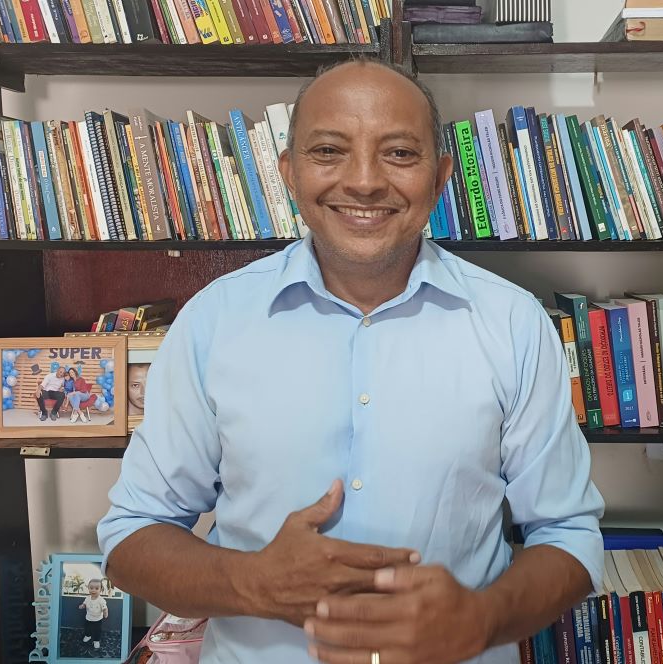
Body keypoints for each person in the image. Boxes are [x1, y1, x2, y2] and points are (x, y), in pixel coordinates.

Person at [98, 58, 604, 664]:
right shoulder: (214, 320)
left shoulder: (514, 324)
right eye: (328, 151)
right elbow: (131, 537)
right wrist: (254, 583)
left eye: (399, 153)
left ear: (441, 176)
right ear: (288, 171)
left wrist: (483, 618)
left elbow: (569, 537)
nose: (364, 182)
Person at [78, 578, 108, 650]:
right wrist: (82, 606)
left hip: (98, 619)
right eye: (91, 588)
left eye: (96, 588)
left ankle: (96, 640)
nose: (93, 590)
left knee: (97, 631)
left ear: (101, 589)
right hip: (88, 618)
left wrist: (105, 613)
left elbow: (105, 608)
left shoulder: (101, 600)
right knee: (87, 628)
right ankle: (88, 636)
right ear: (88, 588)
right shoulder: (87, 598)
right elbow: (85, 604)